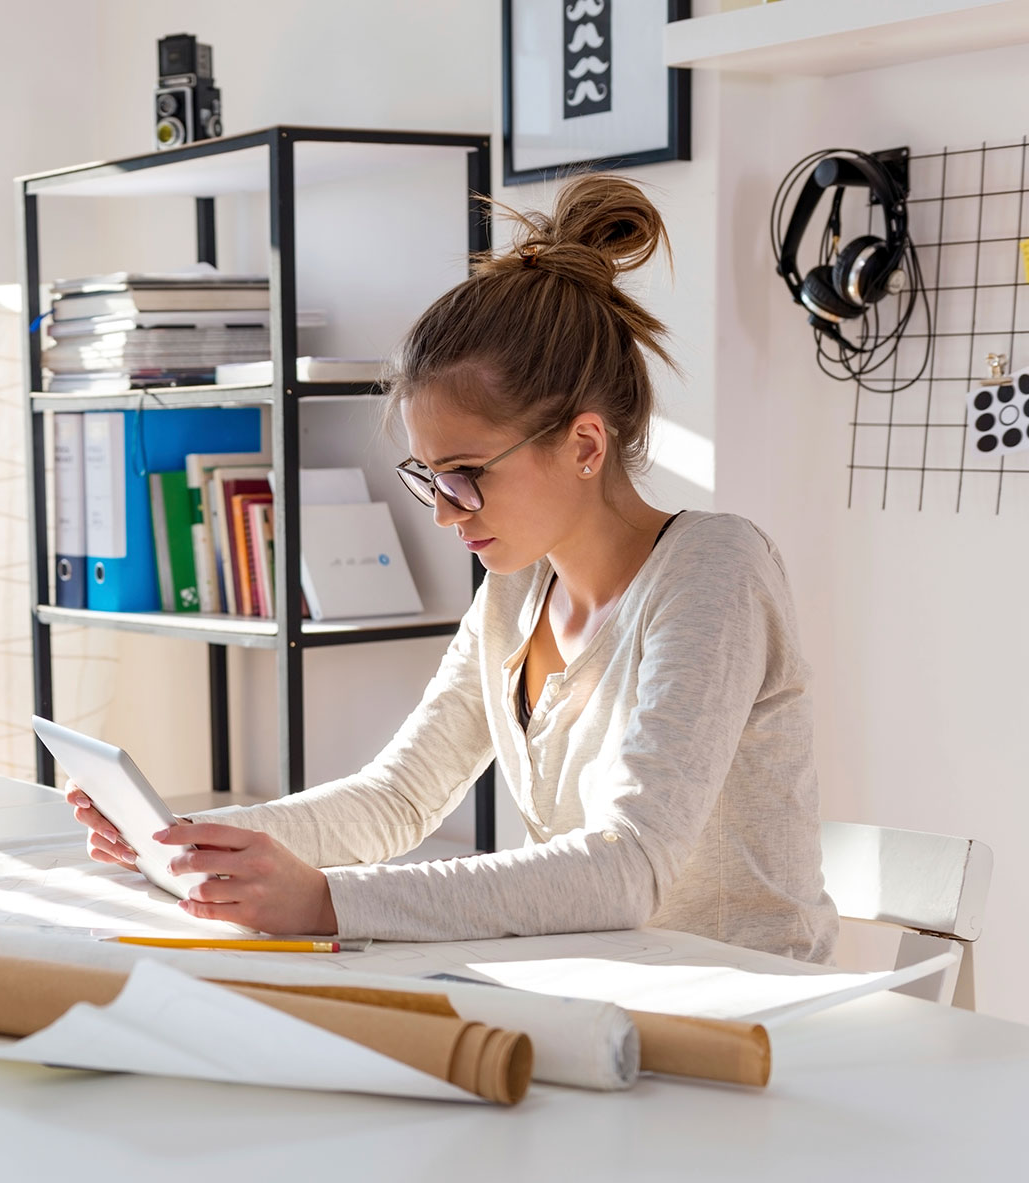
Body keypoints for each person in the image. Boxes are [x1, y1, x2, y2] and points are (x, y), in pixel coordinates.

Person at [67, 174, 838, 963]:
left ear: (584, 446)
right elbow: (397, 799)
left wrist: (328, 902)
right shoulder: (518, 587)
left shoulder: (717, 570)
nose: (444, 511)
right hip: (611, 991)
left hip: (752, 1010)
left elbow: (628, 866)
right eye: (431, 477)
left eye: (466, 473)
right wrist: (191, 844)